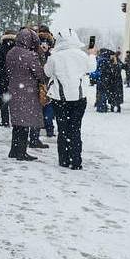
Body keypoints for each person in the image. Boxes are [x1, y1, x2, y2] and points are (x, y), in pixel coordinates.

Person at [45, 30, 96, 169]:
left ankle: (64, 159)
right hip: (79, 97)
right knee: (75, 129)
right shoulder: (82, 55)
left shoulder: (55, 57)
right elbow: (92, 67)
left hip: (59, 98)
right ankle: (76, 160)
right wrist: (92, 55)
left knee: (62, 129)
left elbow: (47, 72)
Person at [6, 27, 47, 161]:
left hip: (13, 89)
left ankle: (14, 150)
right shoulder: (30, 55)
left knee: (17, 122)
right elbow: (40, 74)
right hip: (27, 92)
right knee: (24, 122)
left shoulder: (11, 52)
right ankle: (21, 152)